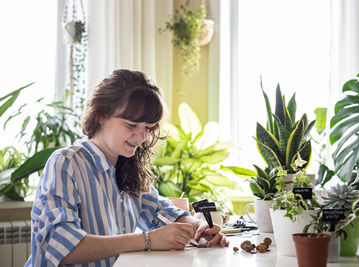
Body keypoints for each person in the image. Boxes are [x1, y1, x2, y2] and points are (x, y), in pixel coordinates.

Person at [25, 69, 229, 267]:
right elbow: (60, 245)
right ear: (102, 114)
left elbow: (160, 210)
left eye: (147, 128)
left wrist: (197, 227)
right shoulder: (66, 163)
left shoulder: (127, 165)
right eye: (131, 125)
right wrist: (147, 240)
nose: (141, 137)